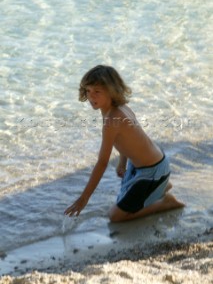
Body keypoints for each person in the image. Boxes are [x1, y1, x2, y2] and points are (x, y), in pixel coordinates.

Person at [64, 65, 185, 222]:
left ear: (111, 91)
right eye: (88, 91)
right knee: (123, 198)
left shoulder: (112, 119)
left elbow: (102, 163)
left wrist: (84, 198)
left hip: (152, 170)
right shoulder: (118, 108)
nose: (91, 97)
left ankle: (164, 202)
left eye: (97, 92)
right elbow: (127, 141)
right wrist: (122, 163)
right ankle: (161, 187)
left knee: (115, 216)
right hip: (150, 163)